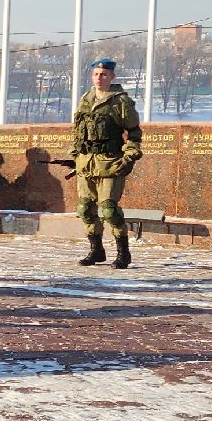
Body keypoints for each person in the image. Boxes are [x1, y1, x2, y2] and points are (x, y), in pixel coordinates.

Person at [70, 58, 143, 269]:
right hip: (86, 163)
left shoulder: (121, 101)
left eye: (103, 74)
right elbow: (78, 130)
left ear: (112, 76)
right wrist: (75, 153)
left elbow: (134, 132)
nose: (99, 78)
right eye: (96, 74)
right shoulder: (86, 99)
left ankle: (123, 253)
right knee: (85, 208)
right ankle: (96, 250)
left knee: (109, 209)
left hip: (110, 162)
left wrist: (130, 155)